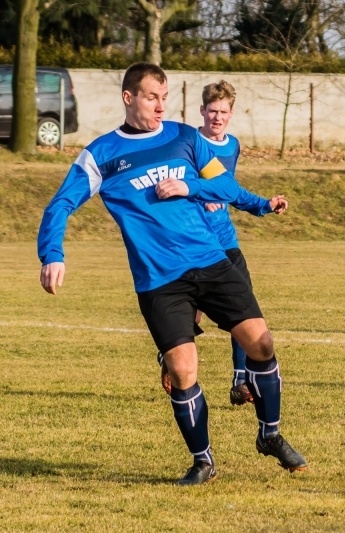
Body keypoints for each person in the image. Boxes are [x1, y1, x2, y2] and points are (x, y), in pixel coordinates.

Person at [37, 62, 307, 486]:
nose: (161, 106)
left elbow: (224, 186)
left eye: (165, 97)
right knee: (182, 371)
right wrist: (52, 253)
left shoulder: (186, 137)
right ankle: (203, 463)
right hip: (159, 281)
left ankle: (269, 434)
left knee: (262, 343)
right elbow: (60, 204)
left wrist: (200, 190)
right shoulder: (102, 155)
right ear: (129, 98)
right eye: (151, 97)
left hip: (211, 261)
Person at [157, 80, 289, 406]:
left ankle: (240, 380)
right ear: (202, 110)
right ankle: (170, 357)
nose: (217, 117)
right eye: (212, 111)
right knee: (192, 314)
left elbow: (227, 184)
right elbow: (177, 182)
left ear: (231, 114)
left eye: (223, 112)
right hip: (194, 241)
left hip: (225, 237)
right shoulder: (185, 143)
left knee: (243, 307)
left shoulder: (232, 146)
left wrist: (262, 204)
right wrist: (201, 193)